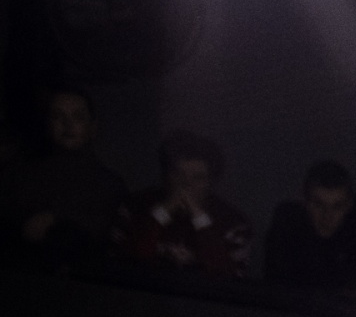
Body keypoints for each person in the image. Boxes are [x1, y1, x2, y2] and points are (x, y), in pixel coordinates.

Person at [0, 87, 125, 267]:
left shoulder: (109, 184)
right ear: (48, 124)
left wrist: (55, 219)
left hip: (86, 278)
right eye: (58, 116)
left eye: (78, 117)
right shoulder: (22, 175)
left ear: (92, 126)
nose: (68, 124)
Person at [112, 130, 252, 278]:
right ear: (166, 175)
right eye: (178, 174)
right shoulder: (134, 207)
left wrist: (200, 219)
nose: (186, 184)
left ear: (211, 182)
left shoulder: (234, 223)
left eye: (198, 178)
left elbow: (228, 278)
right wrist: (162, 213)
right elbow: (122, 266)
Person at [263, 160, 356, 293]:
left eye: (337, 207)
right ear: (304, 203)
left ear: (349, 205)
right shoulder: (287, 224)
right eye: (318, 205)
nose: (327, 216)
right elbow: (276, 288)